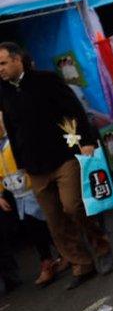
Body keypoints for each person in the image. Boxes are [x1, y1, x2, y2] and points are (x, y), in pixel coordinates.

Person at [0, 42, 113, 290]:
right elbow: (11, 127)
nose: (0, 69)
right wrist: (22, 164)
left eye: (3, 63)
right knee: (54, 220)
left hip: (64, 156)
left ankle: (101, 246)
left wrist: (87, 141)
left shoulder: (47, 80)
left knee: (73, 206)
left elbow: (75, 110)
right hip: (34, 166)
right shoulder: (3, 92)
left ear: (18, 59)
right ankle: (81, 263)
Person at [0, 121, 66, 288]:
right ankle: (47, 259)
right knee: (34, 227)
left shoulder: (13, 140)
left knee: (47, 221)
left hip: (33, 188)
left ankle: (63, 252)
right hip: (18, 195)